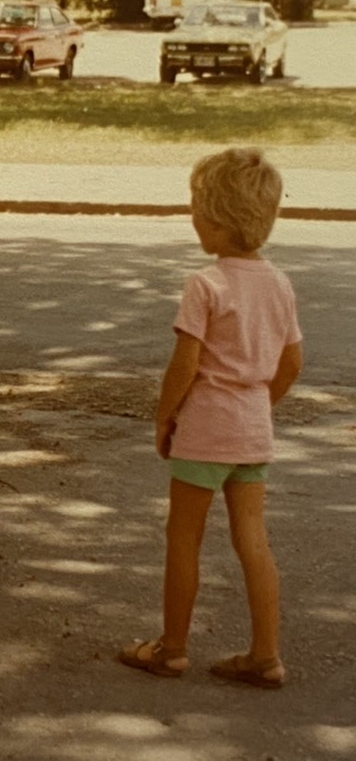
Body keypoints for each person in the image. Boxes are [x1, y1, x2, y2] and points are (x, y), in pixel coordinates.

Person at [118, 148, 302, 689]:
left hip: (204, 431)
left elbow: (186, 364)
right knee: (253, 538)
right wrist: (258, 408)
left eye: (197, 210)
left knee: (184, 537)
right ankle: (266, 655)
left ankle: (172, 649)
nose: (193, 219)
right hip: (252, 431)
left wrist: (163, 417)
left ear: (218, 223)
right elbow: (292, 364)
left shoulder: (206, 284)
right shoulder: (280, 284)